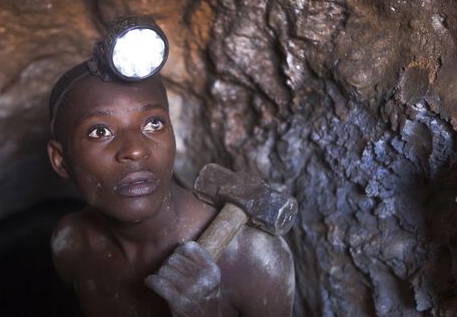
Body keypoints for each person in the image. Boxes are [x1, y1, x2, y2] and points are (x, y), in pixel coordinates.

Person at [46, 17, 294, 317]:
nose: (135, 149)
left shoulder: (252, 262)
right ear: (60, 161)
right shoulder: (72, 245)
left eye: (153, 123)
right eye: (100, 131)